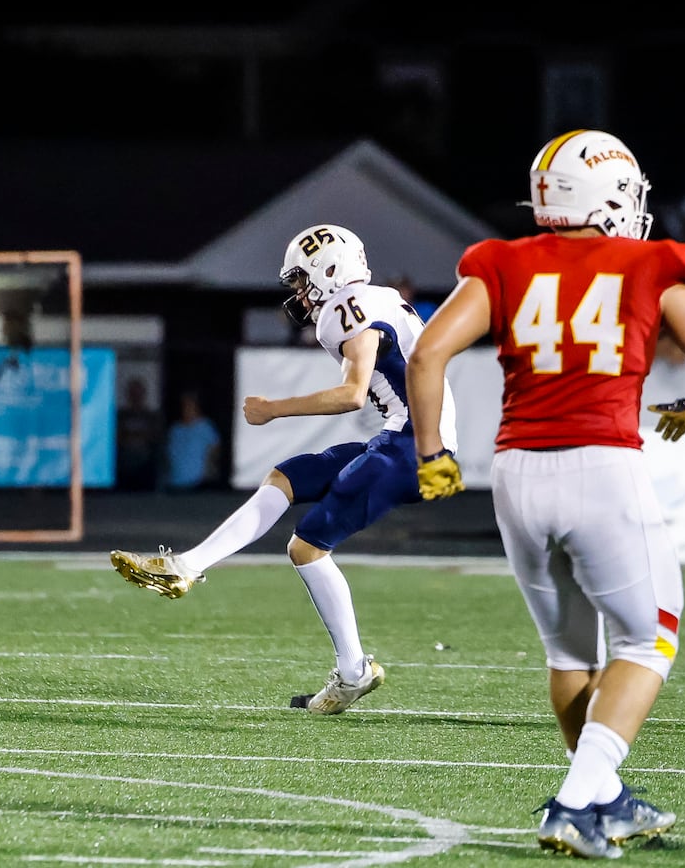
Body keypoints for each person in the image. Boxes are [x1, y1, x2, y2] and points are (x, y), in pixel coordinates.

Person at [404, 129, 685, 858]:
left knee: (570, 655)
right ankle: (571, 803)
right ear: (612, 193)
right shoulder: (653, 262)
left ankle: (607, 800)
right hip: (601, 467)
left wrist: (433, 452)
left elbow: (429, 352)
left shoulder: (498, 263)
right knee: (649, 642)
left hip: (518, 475)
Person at [111, 224, 457, 714]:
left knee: (307, 547)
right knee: (287, 476)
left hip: (412, 448)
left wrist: (275, 408)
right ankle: (188, 566)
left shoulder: (345, 309)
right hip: (413, 441)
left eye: (301, 280)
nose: (298, 293)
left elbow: (352, 394)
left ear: (329, 272)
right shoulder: (380, 299)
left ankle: (354, 671)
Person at [161, 389, 222, 491]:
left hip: (197, 484)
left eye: (190, 404)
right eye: (184, 404)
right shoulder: (175, 429)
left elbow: (215, 451)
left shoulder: (205, 427)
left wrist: (209, 472)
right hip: (174, 483)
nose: (187, 407)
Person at [115, 376, 164, 491]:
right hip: (124, 466)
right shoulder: (120, 416)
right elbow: (116, 438)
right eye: (133, 393)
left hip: (146, 466)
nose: (135, 397)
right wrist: (134, 436)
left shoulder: (152, 416)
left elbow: (156, 437)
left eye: (138, 393)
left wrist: (133, 435)